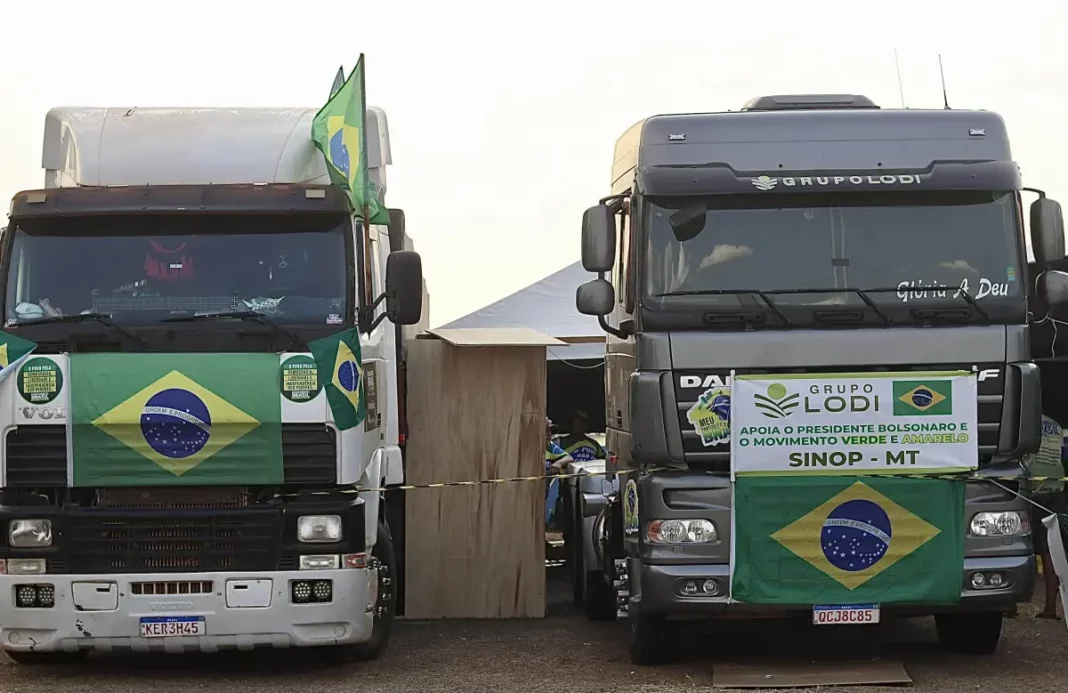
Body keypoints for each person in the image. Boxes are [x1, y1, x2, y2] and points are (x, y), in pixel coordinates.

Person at [1023, 413, 1067, 619]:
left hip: (1032, 488)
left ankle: (1010, 605)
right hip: (1056, 486)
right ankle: (1050, 607)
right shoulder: (1055, 425)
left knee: (1019, 543)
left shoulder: (1024, 419)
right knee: (1051, 548)